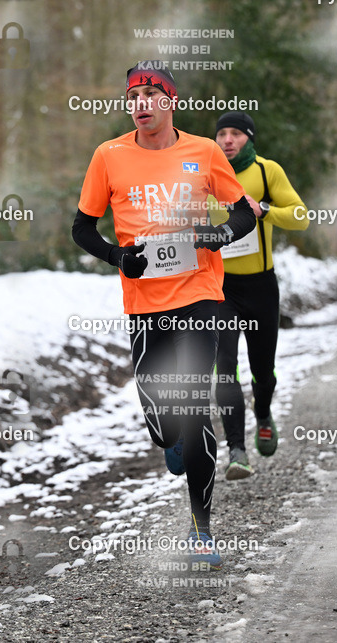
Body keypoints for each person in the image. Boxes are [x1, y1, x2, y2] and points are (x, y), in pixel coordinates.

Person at [71, 61, 255, 568]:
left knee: (194, 407)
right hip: (145, 302)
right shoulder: (109, 156)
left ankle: (201, 528)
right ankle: (168, 437)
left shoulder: (203, 151)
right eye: (135, 96)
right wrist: (117, 256)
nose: (143, 103)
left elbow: (243, 212)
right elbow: (82, 228)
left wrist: (217, 235)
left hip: (200, 293)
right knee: (161, 409)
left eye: (153, 94)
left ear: (170, 101)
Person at [210, 112, 309, 480]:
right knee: (225, 369)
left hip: (261, 287)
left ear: (249, 138)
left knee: (262, 371)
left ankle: (263, 413)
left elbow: (300, 216)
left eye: (236, 133)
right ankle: (236, 451)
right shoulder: (204, 174)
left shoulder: (267, 172)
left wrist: (264, 209)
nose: (228, 140)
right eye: (222, 134)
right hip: (221, 290)